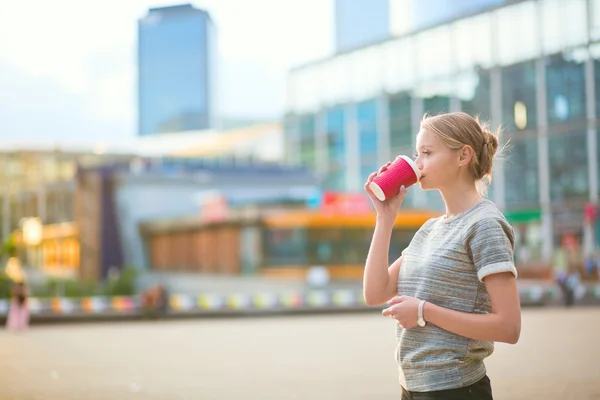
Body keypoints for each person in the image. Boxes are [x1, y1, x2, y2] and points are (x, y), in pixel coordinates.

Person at [363, 112, 521, 399]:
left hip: (456, 389)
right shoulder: (430, 229)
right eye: (416, 152)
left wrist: (424, 311)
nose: (417, 162)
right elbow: (374, 293)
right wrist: (384, 218)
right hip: (412, 388)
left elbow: (509, 327)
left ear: (463, 156)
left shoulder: (484, 224)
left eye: (427, 152)